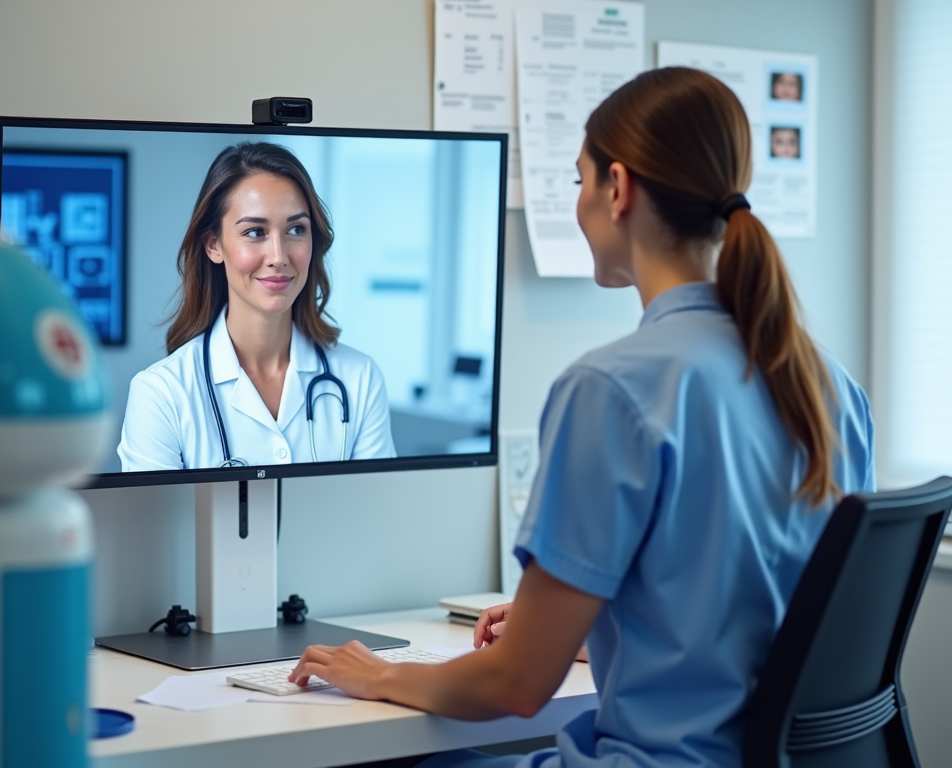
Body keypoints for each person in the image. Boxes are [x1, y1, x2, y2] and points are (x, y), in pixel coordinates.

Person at [287, 67, 874, 767]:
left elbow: (516, 684)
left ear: (618, 189)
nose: (579, 202)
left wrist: (378, 675)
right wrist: (588, 620)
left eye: (578, 181)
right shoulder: (827, 383)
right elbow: (761, 608)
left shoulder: (612, 389)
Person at [118, 142, 396, 471]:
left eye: (296, 229)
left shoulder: (359, 379)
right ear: (214, 245)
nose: (279, 256)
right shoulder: (161, 394)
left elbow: (377, 517)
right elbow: (159, 524)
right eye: (255, 232)